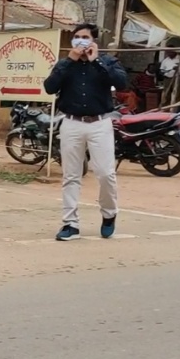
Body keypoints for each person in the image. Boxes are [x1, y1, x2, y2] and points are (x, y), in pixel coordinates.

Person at [43, 22, 128, 241]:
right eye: (76, 37)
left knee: (105, 173)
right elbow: (50, 87)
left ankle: (109, 214)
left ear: (93, 41)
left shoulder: (107, 61)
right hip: (71, 123)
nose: (80, 41)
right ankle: (70, 224)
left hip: (100, 123)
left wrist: (96, 60)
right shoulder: (64, 64)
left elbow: (121, 83)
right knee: (71, 175)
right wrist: (69, 60)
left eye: (84, 37)